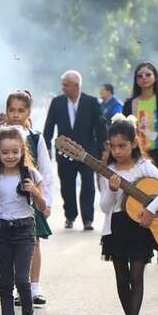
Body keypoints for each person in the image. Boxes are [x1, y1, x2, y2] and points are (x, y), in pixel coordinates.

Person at [100, 120, 158, 315]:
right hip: (116, 227)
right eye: (113, 147)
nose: (117, 151)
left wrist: (151, 209)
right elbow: (105, 207)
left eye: (122, 146)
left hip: (140, 226)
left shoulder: (144, 166)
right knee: (122, 277)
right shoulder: (107, 170)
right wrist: (110, 189)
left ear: (133, 144)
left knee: (136, 275)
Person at [0, 127, 42, 315]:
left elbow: (44, 208)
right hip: (4, 230)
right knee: (5, 281)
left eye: (15, 152)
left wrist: (35, 192)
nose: (10, 156)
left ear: (22, 151)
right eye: (6, 152)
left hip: (26, 230)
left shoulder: (31, 174)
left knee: (22, 280)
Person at [123, 62, 158, 265]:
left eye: (148, 74)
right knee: (138, 200)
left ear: (155, 76)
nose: (144, 78)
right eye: (140, 75)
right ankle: (143, 247)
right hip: (138, 159)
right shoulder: (131, 103)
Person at [5, 91, 53, 306]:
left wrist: (46, 201)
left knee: (33, 243)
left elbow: (46, 170)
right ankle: (19, 288)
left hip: (32, 197)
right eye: (12, 110)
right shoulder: (1, 135)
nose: (16, 115)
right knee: (12, 245)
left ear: (28, 112)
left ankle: (35, 287)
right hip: (9, 200)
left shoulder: (35, 137)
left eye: (21, 110)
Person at [43, 70, 106, 231]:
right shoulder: (57, 103)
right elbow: (48, 128)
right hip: (64, 154)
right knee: (67, 186)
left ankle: (88, 220)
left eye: (66, 85)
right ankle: (70, 216)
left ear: (76, 86)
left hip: (87, 154)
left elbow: (100, 130)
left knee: (88, 186)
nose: (62, 88)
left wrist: (101, 154)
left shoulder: (92, 102)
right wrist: (46, 151)